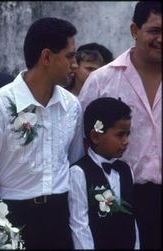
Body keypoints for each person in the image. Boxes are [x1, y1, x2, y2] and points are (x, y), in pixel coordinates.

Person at [0, 17, 84, 249]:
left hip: (62, 216)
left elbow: (75, 164)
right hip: (14, 216)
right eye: (70, 56)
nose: (75, 64)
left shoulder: (71, 106)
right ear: (47, 57)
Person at [78, 2, 161, 249]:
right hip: (120, 200)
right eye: (155, 31)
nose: (161, 39)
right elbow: (82, 143)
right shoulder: (102, 80)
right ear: (135, 29)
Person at [69, 97, 139, 249]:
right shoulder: (79, 173)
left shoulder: (126, 170)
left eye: (128, 134)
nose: (126, 141)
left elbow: (131, 220)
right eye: (120, 135)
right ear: (95, 136)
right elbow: (79, 226)